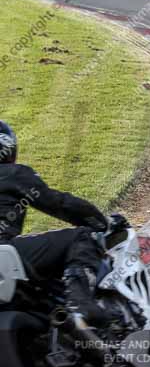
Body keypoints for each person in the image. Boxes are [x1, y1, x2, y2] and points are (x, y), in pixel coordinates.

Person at [0, 120, 111, 325]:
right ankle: (80, 304)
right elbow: (60, 204)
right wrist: (101, 222)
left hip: (9, 266)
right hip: (3, 255)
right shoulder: (13, 173)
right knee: (80, 237)